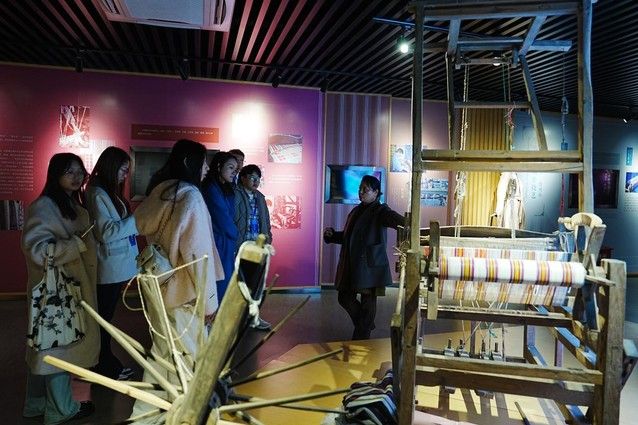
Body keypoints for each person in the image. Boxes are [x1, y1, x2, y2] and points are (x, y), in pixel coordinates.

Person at [131, 139, 223, 421]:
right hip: (185, 295)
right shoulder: (190, 196)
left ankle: (144, 416)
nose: (206, 168)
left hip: (157, 289)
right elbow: (198, 256)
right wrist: (210, 305)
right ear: (189, 162)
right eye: (203, 162)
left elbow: (141, 225)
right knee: (190, 358)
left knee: (161, 355)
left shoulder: (160, 192)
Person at [21, 153, 98, 424]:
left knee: (45, 345)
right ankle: (60, 409)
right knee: (57, 347)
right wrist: (73, 246)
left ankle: (37, 403)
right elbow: (37, 250)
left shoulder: (70, 204)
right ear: (56, 174)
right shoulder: (45, 206)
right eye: (69, 172)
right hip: (58, 292)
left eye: (80, 172)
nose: (76, 177)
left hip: (69, 288)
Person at [323, 175, 404, 340]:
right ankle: (365, 325)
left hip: (370, 264)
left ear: (376, 192)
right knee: (344, 297)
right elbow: (349, 237)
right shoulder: (356, 211)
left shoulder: (381, 211)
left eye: (365, 189)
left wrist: (410, 224)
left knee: (368, 301)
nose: (360, 192)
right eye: (360, 188)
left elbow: (399, 221)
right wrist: (333, 236)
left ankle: (362, 335)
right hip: (353, 264)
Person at [85, 147, 137, 381]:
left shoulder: (107, 191)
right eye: (123, 169)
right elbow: (106, 233)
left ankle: (104, 362)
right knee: (103, 320)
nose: (125, 175)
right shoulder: (97, 193)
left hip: (116, 266)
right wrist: (137, 220)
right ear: (111, 166)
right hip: (108, 268)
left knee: (106, 318)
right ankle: (104, 365)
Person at [234, 164, 273, 331]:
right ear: (243, 178)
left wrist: (268, 239)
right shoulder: (235, 194)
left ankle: (253, 318)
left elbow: (266, 222)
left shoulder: (260, 197)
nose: (256, 181)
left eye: (258, 178)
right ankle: (237, 320)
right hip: (241, 246)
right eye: (252, 177)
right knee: (239, 285)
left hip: (257, 246)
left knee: (256, 284)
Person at [202, 152, 239, 303]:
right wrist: (236, 235)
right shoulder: (211, 188)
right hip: (218, 242)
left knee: (226, 280)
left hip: (226, 241)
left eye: (236, 169)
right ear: (218, 166)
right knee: (220, 281)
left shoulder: (225, 188)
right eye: (230, 167)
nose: (234, 172)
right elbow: (223, 218)